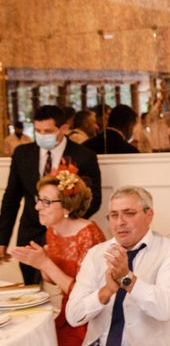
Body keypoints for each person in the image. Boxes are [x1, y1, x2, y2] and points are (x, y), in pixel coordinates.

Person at [66, 186, 170, 346]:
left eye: (129, 213)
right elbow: (74, 316)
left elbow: (164, 309)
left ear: (149, 215)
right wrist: (105, 292)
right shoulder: (96, 254)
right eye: (114, 215)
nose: (120, 222)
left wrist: (128, 279)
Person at [9, 165, 105, 346]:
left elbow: (85, 294)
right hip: (65, 312)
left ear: (67, 206)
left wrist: (45, 264)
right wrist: (40, 264)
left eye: (46, 202)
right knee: (30, 344)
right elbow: (54, 280)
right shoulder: (52, 230)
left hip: (89, 318)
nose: (37, 207)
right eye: (39, 200)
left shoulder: (88, 234)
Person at [0, 105, 102, 284]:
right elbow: (11, 199)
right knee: (32, 293)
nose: (41, 135)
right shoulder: (22, 154)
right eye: (37, 130)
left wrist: (66, 224)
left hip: (67, 238)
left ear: (63, 128)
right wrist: (2, 239)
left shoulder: (84, 156)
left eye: (47, 131)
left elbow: (94, 199)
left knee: (67, 285)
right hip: (30, 233)